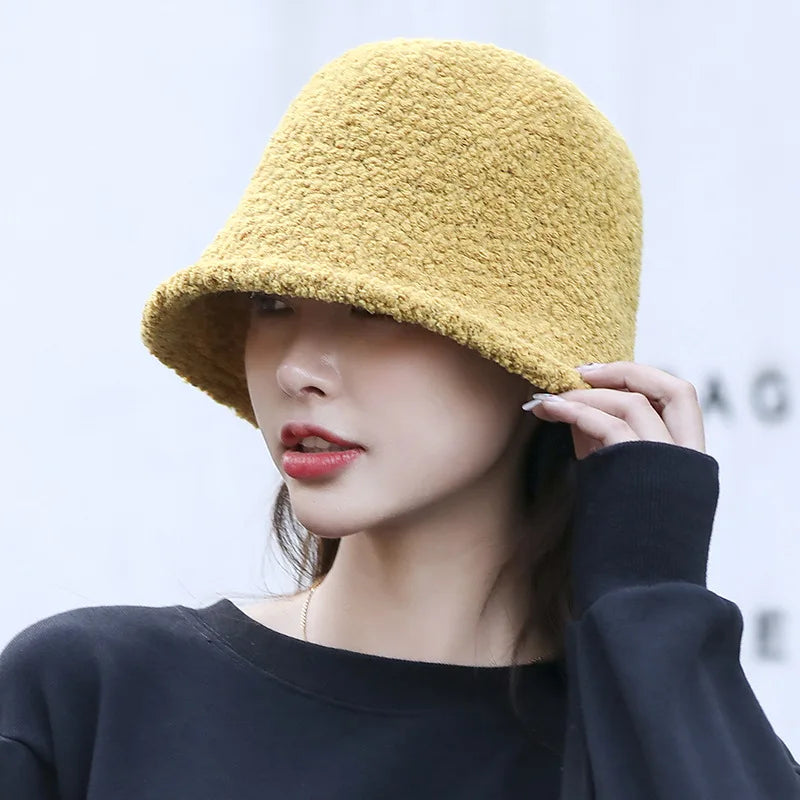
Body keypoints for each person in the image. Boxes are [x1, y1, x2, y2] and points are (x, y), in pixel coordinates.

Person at [2, 37, 799, 799]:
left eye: (372, 311)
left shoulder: (644, 740)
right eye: (271, 304)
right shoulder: (88, 699)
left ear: (527, 358)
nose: (295, 369)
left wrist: (653, 602)